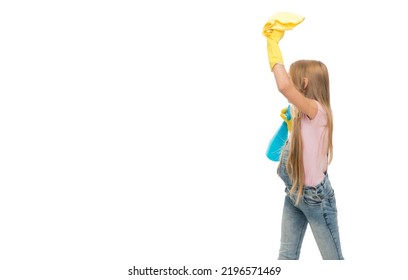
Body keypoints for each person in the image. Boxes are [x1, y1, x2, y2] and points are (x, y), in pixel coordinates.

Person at [266, 29, 344, 260]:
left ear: (304, 82)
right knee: (286, 256)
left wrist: (272, 45)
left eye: (292, 77)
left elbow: (283, 87)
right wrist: (290, 123)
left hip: (316, 198)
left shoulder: (317, 111)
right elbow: (279, 151)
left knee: (333, 260)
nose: (288, 81)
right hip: (294, 192)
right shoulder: (301, 112)